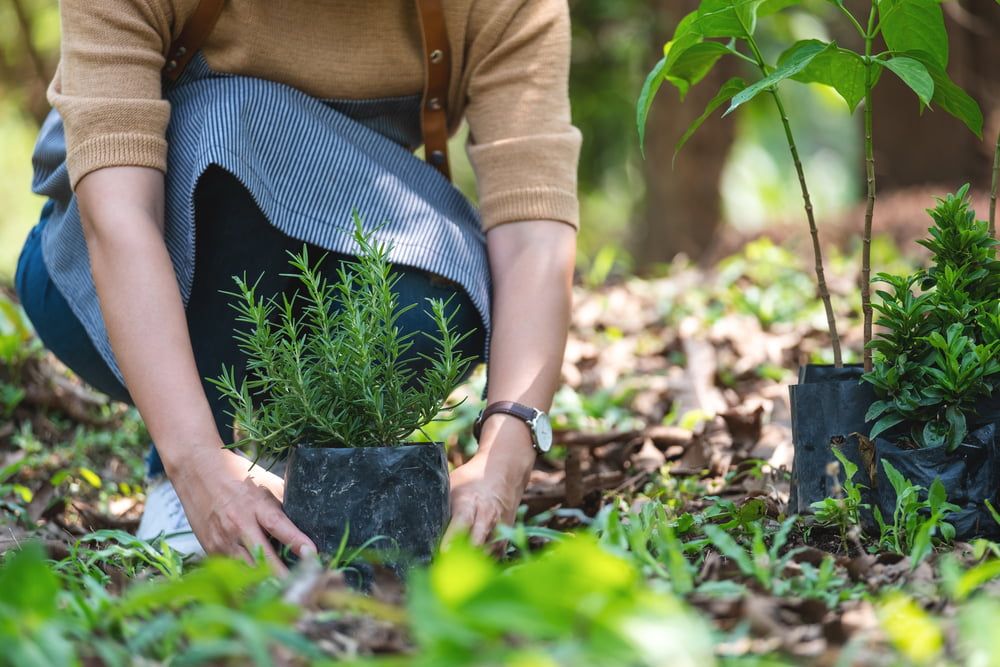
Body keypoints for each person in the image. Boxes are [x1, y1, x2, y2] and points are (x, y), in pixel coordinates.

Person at [15, 0, 580, 571]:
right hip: (91, 277)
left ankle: (294, 468)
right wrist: (192, 460)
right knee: (235, 120)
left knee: (445, 284)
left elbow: (534, 235)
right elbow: (119, 218)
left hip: (335, 237)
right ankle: (199, 466)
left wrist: (504, 458)